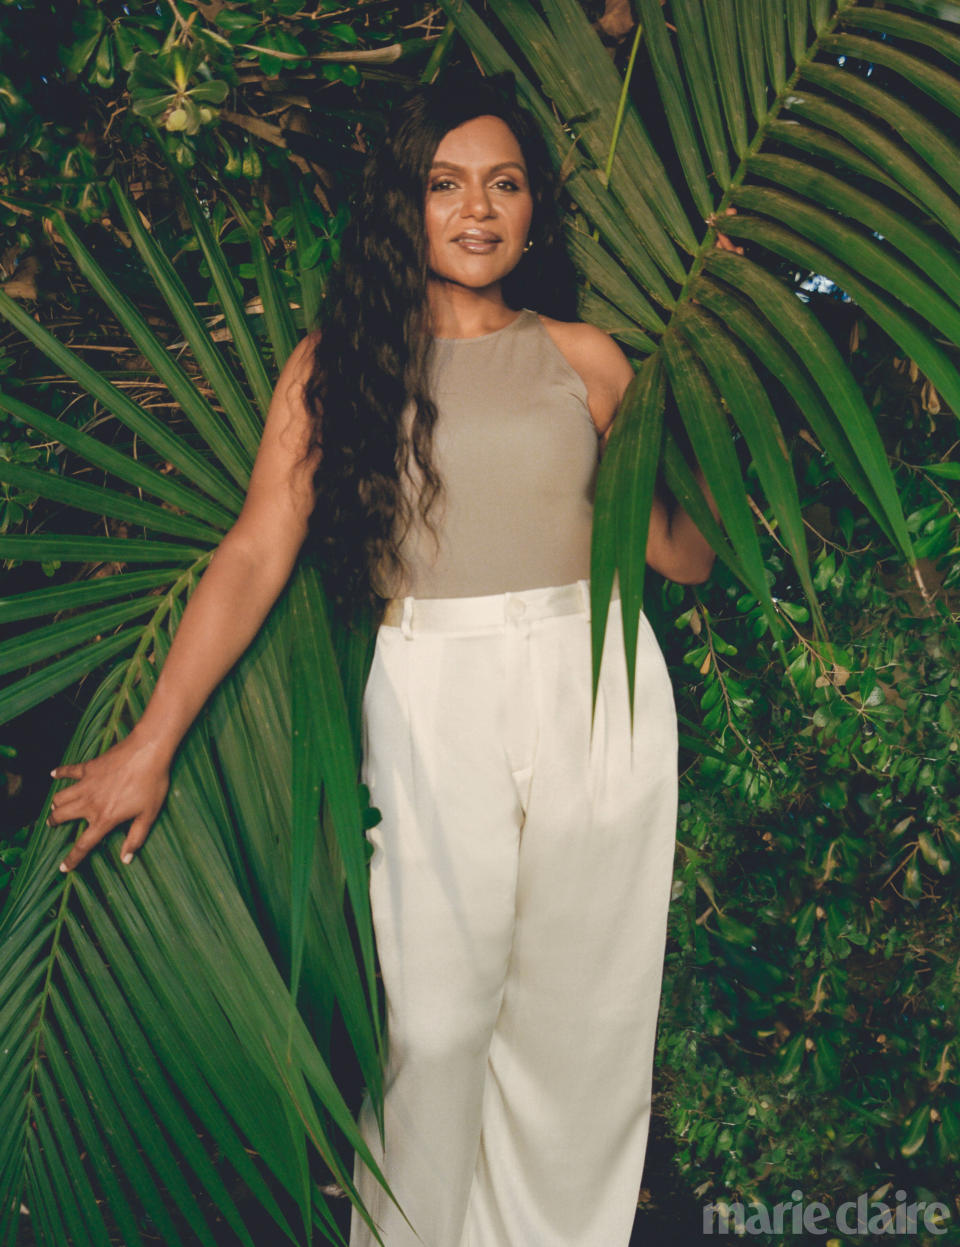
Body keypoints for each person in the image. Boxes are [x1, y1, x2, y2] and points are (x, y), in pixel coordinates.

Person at [48, 72, 719, 1247]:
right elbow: (258, 551)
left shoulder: (587, 358)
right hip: (433, 694)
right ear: (403, 207)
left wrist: (693, 436)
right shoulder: (339, 365)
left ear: (533, 209)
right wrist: (148, 745)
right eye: (445, 184)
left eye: (503, 184)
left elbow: (685, 557)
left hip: (593, 685)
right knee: (439, 1025)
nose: (476, 208)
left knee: (579, 1020)